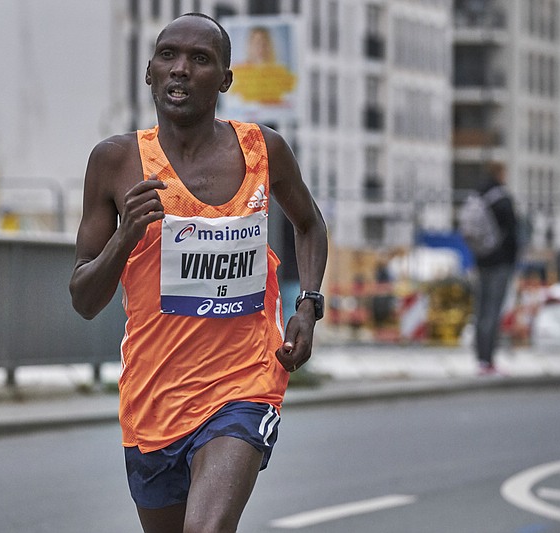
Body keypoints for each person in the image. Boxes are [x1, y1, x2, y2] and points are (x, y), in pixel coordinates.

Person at [69, 13, 327, 533]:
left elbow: (310, 224)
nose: (180, 70)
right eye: (168, 56)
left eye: (200, 59)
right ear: (149, 72)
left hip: (244, 381)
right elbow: (83, 296)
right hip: (153, 394)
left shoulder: (263, 150)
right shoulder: (116, 162)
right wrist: (125, 238)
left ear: (226, 80)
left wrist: (308, 305)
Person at [473, 164, 518, 375]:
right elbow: (513, 232)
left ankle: (480, 358)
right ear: (501, 174)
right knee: (493, 312)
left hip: (481, 261)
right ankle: (488, 360)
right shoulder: (502, 199)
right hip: (500, 263)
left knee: (481, 311)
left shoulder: (478, 196)